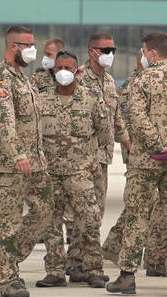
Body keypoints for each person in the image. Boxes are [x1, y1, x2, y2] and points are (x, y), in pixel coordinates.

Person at [108, 32, 167, 297]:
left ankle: (127, 277)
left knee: (138, 216)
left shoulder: (141, 80)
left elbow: (136, 116)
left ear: (151, 53)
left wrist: (158, 146)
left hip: (146, 161)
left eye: (142, 52)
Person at [0, 26, 54, 297]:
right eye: (28, 45)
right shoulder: (1, 78)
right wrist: (18, 154)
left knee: (45, 209)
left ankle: (7, 260)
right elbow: (5, 121)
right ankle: (7, 280)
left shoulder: (23, 79)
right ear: (14, 47)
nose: (32, 50)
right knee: (6, 220)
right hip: (10, 163)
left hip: (35, 163)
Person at [37, 50, 110, 289]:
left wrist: (86, 158)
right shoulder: (41, 99)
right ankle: (55, 271)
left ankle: (93, 269)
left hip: (81, 174)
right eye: (59, 68)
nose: (63, 72)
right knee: (51, 223)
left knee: (89, 221)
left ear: (77, 71)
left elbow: (104, 133)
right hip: (51, 174)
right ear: (53, 70)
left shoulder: (91, 99)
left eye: (68, 68)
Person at [71, 33, 129, 282]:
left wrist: (128, 142)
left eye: (112, 48)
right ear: (91, 50)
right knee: (84, 212)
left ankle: (77, 262)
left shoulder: (108, 81)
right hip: (82, 157)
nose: (110, 53)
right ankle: (80, 264)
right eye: (105, 49)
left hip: (102, 158)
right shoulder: (80, 78)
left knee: (96, 212)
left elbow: (115, 118)